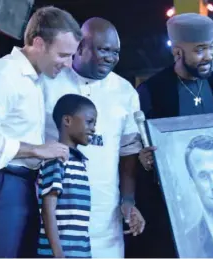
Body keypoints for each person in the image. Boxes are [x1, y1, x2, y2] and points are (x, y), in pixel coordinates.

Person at [128, 13, 213, 258]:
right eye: (200, 50)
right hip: (168, 205)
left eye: (211, 48)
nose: (209, 56)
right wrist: (143, 159)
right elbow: (142, 147)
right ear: (178, 53)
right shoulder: (153, 90)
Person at [0, 7, 82, 258]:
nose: (69, 64)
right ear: (38, 43)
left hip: (23, 185)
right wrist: (36, 150)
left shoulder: (35, 80)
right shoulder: (3, 73)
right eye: (63, 54)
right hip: (0, 183)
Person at [42, 17, 145, 257]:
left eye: (116, 52)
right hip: (58, 219)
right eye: (104, 49)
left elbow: (128, 152)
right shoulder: (49, 82)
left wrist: (128, 200)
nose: (111, 57)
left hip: (105, 220)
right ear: (79, 47)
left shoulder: (125, 91)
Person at [37, 94, 97, 258]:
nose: (94, 129)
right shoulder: (57, 158)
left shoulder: (79, 161)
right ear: (67, 121)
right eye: (89, 122)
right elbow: (47, 209)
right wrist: (58, 254)